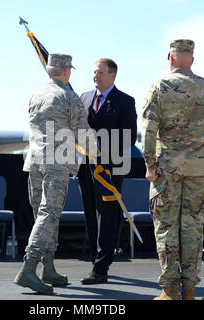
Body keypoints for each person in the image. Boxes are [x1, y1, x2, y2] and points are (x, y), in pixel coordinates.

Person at [141, 39, 204, 300]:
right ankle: (189, 289)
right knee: (193, 228)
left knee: (167, 227)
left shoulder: (159, 86)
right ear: (191, 59)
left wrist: (149, 165)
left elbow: (148, 129)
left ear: (170, 58)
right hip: (199, 170)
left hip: (166, 170)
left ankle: (169, 290)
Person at [14, 53, 98, 294]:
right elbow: (83, 131)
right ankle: (29, 269)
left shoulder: (36, 94)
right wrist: (96, 151)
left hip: (34, 163)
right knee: (49, 215)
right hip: (56, 164)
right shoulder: (68, 97)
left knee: (43, 216)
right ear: (67, 71)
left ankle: (48, 268)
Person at [78, 58, 137, 285]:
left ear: (112, 75)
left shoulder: (124, 101)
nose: (95, 76)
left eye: (100, 73)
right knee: (91, 216)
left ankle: (102, 267)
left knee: (108, 216)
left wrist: (104, 147)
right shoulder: (84, 98)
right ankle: (96, 261)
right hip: (85, 167)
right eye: (94, 72)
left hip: (110, 169)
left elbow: (130, 137)